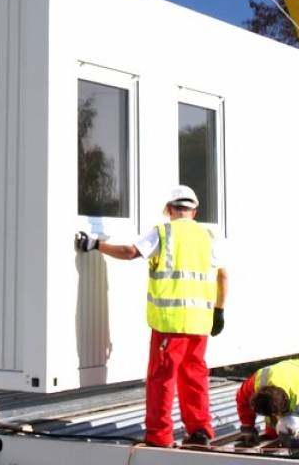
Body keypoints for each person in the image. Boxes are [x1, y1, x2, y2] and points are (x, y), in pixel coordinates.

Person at [75, 185, 228, 448]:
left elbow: (130, 252)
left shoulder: (164, 231)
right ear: (194, 211)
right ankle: (200, 431)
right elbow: (223, 275)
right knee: (195, 376)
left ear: (170, 210)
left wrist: (96, 245)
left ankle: (159, 436)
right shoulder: (208, 236)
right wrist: (219, 311)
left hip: (169, 324)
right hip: (200, 325)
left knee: (162, 379)